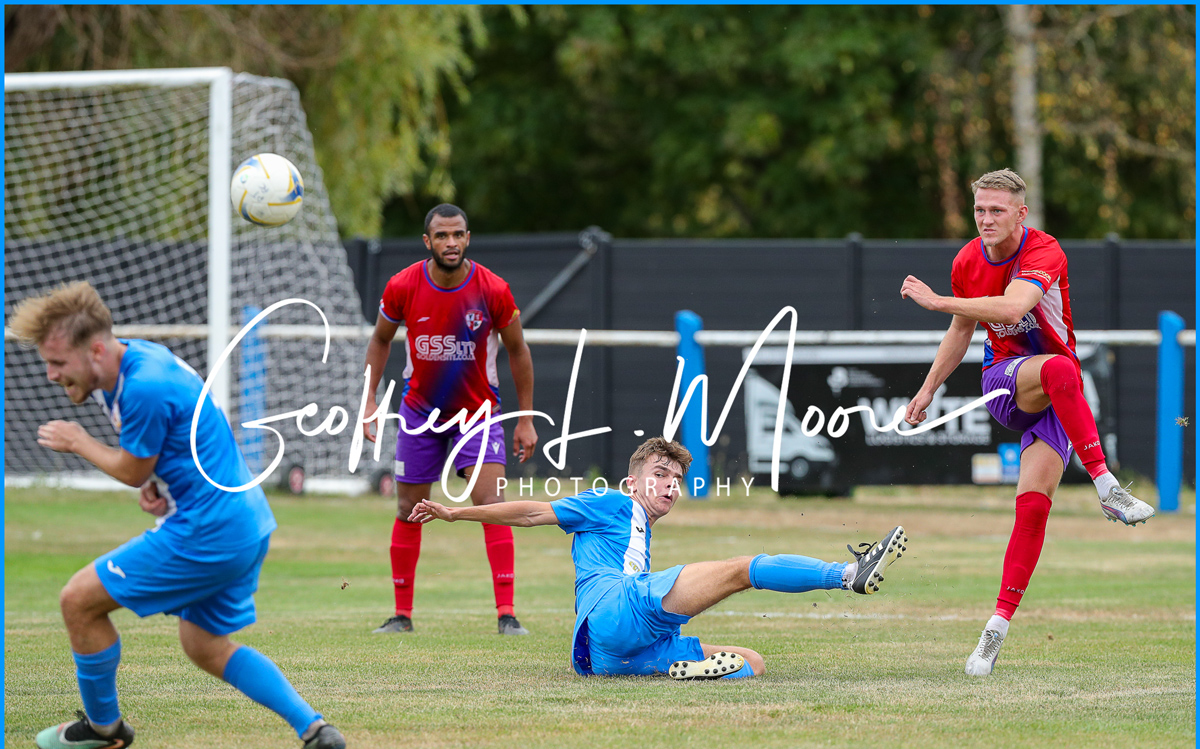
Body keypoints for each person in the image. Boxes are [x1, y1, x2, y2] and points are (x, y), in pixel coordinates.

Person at [10, 282, 345, 749]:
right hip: (245, 521)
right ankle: (315, 731)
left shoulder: (142, 386)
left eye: (58, 362)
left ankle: (104, 727)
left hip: (208, 530)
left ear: (96, 350)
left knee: (78, 601)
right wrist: (161, 482)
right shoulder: (133, 364)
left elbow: (131, 469)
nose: (50, 374)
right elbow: (175, 439)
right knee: (204, 644)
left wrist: (80, 442)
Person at [900, 168, 1154, 678]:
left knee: (1033, 509)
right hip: (1005, 384)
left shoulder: (1045, 250)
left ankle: (994, 631)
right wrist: (927, 390)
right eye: (979, 209)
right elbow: (961, 330)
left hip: (1056, 397)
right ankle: (1107, 486)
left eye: (996, 210)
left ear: (1022, 213)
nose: (986, 219)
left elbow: (1015, 304)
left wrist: (937, 300)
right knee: (1061, 369)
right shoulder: (967, 260)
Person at [408, 437, 908, 679]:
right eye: (660, 473)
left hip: (610, 655)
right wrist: (456, 512)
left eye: (676, 479)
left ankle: (673, 670)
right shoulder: (613, 501)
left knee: (753, 663)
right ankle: (848, 573)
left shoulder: (637, 531)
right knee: (742, 569)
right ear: (633, 482)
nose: (670, 484)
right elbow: (532, 512)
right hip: (615, 606)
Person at [361, 203, 538, 636]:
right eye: (442, 235)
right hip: (420, 413)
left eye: (458, 234)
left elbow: (518, 351)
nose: (451, 242)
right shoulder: (402, 285)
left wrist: (525, 419)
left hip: (478, 414)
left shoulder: (493, 289)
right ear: (428, 241)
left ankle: (507, 615)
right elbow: (380, 340)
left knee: (492, 505)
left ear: (468, 238)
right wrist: (368, 401)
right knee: (409, 509)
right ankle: (401, 616)